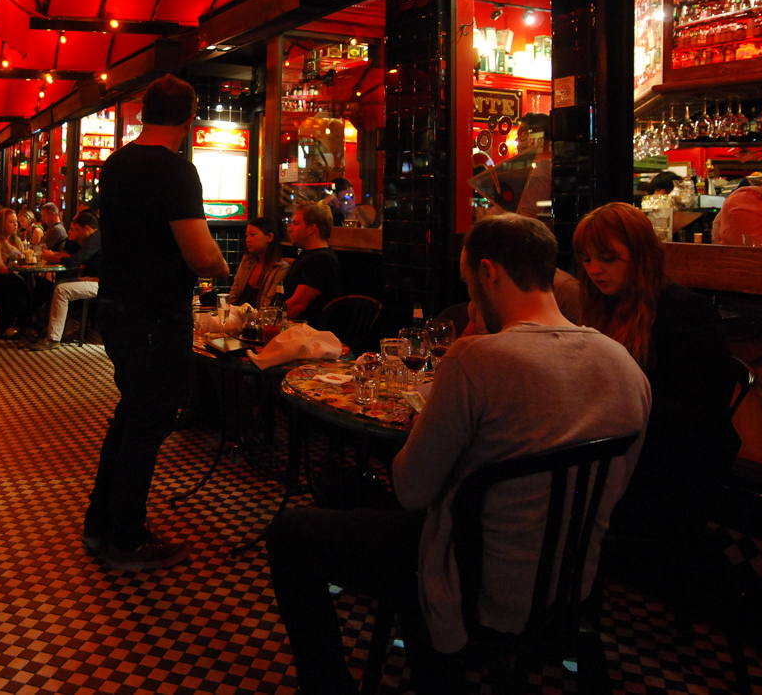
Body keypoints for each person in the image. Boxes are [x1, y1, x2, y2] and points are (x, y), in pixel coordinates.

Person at [266, 214, 649, 694]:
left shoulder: (477, 360)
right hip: (569, 583)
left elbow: (410, 490)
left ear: (489, 273)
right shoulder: (626, 367)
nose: (470, 298)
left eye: (469, 284)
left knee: (291, 531)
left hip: (472, 578)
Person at [85, 74, 229, 571]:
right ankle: (126, 540)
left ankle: (100, 524)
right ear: (189, 120)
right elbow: (199, 252)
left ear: (143, 112)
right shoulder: (174, 171)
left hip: (117, 308)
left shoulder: (115, 164)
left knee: (131, 416)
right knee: (147, 423)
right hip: (154, 316)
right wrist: (220, 265)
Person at [575, 202, 738, 542]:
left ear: (641, 256)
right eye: (587, 259)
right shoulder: (604, 305)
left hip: (674, 462)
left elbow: (702, 412)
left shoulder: (683, 310)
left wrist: (614, 401)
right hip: (624, 446)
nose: (594, 269)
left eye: (607, 259)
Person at [28, 211, 102, 351]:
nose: (72, 232)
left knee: (62, 290)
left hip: (104, 284)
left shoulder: (95, 238)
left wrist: (53, 257)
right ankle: (59, 327)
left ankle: (53, 338)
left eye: (76, 230)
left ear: (86, 228)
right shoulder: (93, 237)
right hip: (96, 279)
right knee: (58, 285)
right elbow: (73, 255)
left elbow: (74, 261)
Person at [282, 202, 342, 326]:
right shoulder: (309, 255)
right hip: (295, 331)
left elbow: (297, 305)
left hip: (309, 337)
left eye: (296, 223)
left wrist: (264, 322)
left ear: (312, 228)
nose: (290, 228)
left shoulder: (322, 260)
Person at [0, 208, 32, 338]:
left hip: (10, 274)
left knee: (41, 285)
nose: (16, 225)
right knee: (19, 286)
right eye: (12, 222)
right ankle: (7, 327)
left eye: (16, 222)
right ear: (2, 224)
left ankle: (27, 323)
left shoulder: (14, 239)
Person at [228, 216, 290, 310]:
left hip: (259, 319)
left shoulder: (280, 268)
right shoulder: (247, 260)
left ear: (269, 237)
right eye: (247, 235)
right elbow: (234, 293)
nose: (248, 239)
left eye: (252, 234)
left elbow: (268, 303)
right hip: (238, 315)